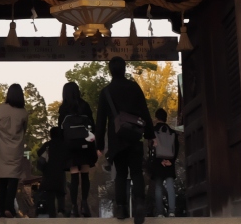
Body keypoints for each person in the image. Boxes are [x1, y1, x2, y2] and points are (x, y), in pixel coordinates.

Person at [95, 56, 155, 224]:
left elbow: (100, 122)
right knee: (136, 172)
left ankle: (121, 208)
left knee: (120, 174)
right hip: (134, 137)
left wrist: (99, 145)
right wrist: (150, 135)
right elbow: (144, 112)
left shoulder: (106, 92)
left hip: (117, 140)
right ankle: (140, 205)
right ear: (124, 68)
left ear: (110, 70)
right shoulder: (134, 87)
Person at [60, 81, 98, 217]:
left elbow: (60, 129)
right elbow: (93, 126)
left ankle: (74, 207)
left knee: (74, 175)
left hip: (71, 147)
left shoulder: (64, 108)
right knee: (85, 174)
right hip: (85, 145)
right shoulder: (85, 105)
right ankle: (85, 204)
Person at [0, 83, 29, 218]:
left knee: (2, 180)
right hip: (15, 149)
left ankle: (1, 209)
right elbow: (24, 130)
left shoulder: (0, 109)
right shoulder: (23, 112)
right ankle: (9, 207)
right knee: (13, 179)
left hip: (1, 148)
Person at [149, 109, 179, 217]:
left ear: (157, 118)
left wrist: (157, 161)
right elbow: (176, 148)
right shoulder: (172, 132)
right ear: (165, 118)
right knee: (170, 186)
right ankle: (171, 211)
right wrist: (171, 161)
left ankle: (160, 212)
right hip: (169, 161)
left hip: (158, 161)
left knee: (158, 187)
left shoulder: (153, 131)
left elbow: (151, 147)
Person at [35, 124, 69, 216]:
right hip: (60, 173)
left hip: (48, 174)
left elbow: (39, 153)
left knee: (50, 195)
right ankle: (61, 210)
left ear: (51, 135)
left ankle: (52, 214)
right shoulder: (63, 145)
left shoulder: (48, 145)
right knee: (61, 193)